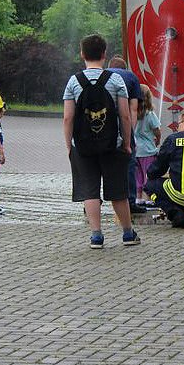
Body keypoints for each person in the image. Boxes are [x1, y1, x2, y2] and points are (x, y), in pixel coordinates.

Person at [63, 34, 141, 249]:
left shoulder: (74, 81)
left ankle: (96, 236)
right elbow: (125, 116)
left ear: (82, 54)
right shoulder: (116, 80)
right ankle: (127, 233)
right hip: (112, 144)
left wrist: (70, 145)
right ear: (104, 54)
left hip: (83, 146)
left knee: (89, 190)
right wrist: (126, 143)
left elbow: (68, 117)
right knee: (118, 190)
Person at [107, 55, 145, 214]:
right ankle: (130, 202)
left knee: (100, 164)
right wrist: (130, 133)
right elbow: (133, 109)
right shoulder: (131, 77)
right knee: (129, 163)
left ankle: (91, 202)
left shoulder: (102, 75)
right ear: (124, 67)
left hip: (102, 127)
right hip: (123, 126)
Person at [134, 84, 161, 205]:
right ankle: (148, 199)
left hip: (135, 150)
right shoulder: (150, 114)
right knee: (149, 176)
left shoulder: (132, 113)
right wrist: (158, 140)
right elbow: (157, 130)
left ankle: (138, 198)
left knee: (137, 175)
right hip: (148, 151)